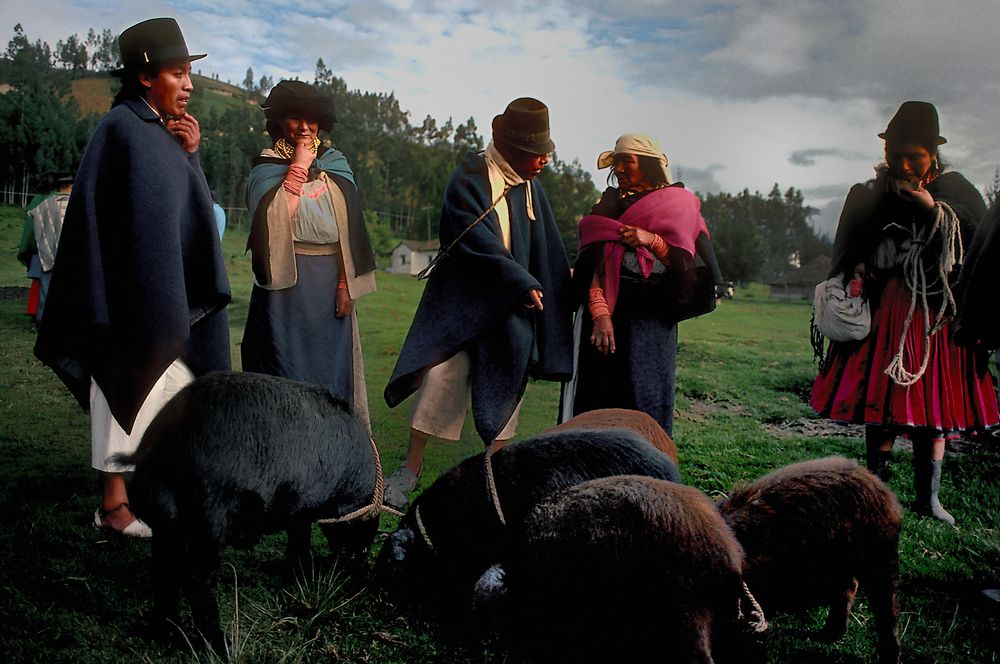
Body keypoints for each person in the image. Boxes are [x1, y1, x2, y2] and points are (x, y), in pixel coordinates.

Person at [34, 18, 231, 537]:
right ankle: (113, 504)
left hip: (161, 294)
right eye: (178, 74)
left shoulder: (163, 133)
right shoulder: (120, 129)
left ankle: (150, 485)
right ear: (146, 77)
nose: (189, 85)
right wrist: (127, 292)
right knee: (122, 387)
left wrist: (191, 155)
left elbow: (187, 219)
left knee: (167, 391)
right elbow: (105, 222)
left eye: (191, 74)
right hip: (123, 300)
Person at [810, 101, 998, 524]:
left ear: (933, 153)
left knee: (933, 411)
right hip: (886, 315)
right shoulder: (871, 194)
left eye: (914, 155)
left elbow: (975, 245)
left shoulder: (956, 191)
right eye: (895, 154)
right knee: (882, 405)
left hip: (934, 317)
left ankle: (928, 499)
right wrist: (859, 264)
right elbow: (850, 245)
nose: (903, 163)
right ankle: (874, 493)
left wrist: (932, 211)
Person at [383, 97, 574, 508]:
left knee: (507, 388)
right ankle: (410, 468)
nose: (543, 159)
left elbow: (547, 249)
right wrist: (519, 280)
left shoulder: (529, 189)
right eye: (534, 152)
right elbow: (473, 239)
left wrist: (561, 287)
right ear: (510, 148)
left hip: (509, 309)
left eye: (545, 152)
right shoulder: (470, 178)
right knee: (440, 381)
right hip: (465, 306)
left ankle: (497, 481)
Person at [559, 133, 722, 436]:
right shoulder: (606, 205)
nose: (619, 169)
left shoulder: (679, 204)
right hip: (603, 325)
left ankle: (644, 473)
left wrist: (655, 241)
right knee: (596, 405)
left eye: (627, 161)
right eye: (616, 162)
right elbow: (589, 262)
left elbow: (692, 269)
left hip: (650, 325)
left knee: (643, 403)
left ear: (647, 165)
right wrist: (599, 310)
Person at [242, 80, 377, 429]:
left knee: (332, 376)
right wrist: (299, 166)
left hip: (331, 289)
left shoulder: (336, 164)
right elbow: (274, 225)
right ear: (278, 122)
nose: (304, 126)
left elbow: (352, 229)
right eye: (294, 118)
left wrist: (347, 284)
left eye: (311, 119)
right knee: (285, 373)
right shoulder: (265, 168)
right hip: (286, 289)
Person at [17, 172, 72, 328]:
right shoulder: (75, 203)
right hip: (67, 254)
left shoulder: (43, 203)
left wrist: (27, 249)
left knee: (44, 288)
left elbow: (32, 220)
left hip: (45, 252)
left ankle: (41, 321)